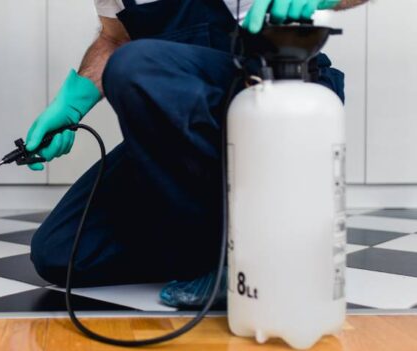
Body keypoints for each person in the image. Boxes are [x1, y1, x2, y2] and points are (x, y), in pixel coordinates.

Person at [27, 0, 367, 307]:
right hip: (181, 124)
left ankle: (243, 257)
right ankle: (224, 246)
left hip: (271, 100)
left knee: (135, 66)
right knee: (62, 252)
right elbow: (115, 39)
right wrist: (72, 103)